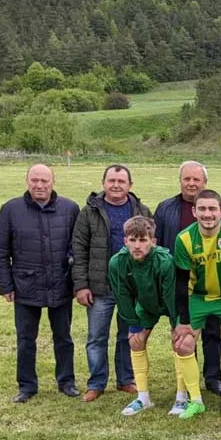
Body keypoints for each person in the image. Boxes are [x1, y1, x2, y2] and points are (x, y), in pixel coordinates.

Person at [0, 164, 80, 403]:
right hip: (25, 286)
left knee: (63, 337)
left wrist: (76, 281)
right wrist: (5, 286)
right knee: (25, 339)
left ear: (53, 182)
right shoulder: (11, 209)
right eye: (34, 180)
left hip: (60, 285)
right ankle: (27, 386)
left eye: (44, 181)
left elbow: (77, 249)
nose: (39, 185)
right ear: (27, 181)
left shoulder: (70, 208)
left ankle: (67, 381)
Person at [73, 164, 151, 402]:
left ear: (130, 185)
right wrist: (81, 285)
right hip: (100, 286)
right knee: (97, 337)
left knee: (128, 335)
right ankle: (96, 383)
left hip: (132, 288)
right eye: (111, 181)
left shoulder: (141, 211)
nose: (116, 185)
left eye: (121, 181)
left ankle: (126, 379)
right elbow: (78, 250)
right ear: (103, 183)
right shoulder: (89, 212)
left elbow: (150, 248)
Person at [172, 190, 221, 421]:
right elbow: (181, 283)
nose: (208, 214)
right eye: (203, 209)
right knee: (183, 345)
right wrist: (184, 321)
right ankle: (196, 401)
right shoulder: (184, 239)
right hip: (197, 297)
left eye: (213, 209)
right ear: (194, 211)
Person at [154, 161, 221, 397]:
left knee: (213, 333)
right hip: (180, 283)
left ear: (205, 182)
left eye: (196, 179)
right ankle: (188, 379)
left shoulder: (218, 207)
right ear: (180, 181)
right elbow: (156, 244)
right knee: (184, 332)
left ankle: (213, 378)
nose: (191, 183)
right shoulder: (165, 208)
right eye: (187, 179)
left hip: (212, 283)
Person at [108, 216, 185, 416]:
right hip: (147, 304)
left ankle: (182, 397)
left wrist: (177, 324)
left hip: (171, 303)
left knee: (180, 343)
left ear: (153, 241)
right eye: (132, 240)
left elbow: (171, 295)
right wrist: (133, 325)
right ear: (125, 241)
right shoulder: (117, 262)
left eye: (143, 240)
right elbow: (123, 296)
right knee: (135, 341)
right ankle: (143, 398)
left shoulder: (164, 261)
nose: (137, 245)